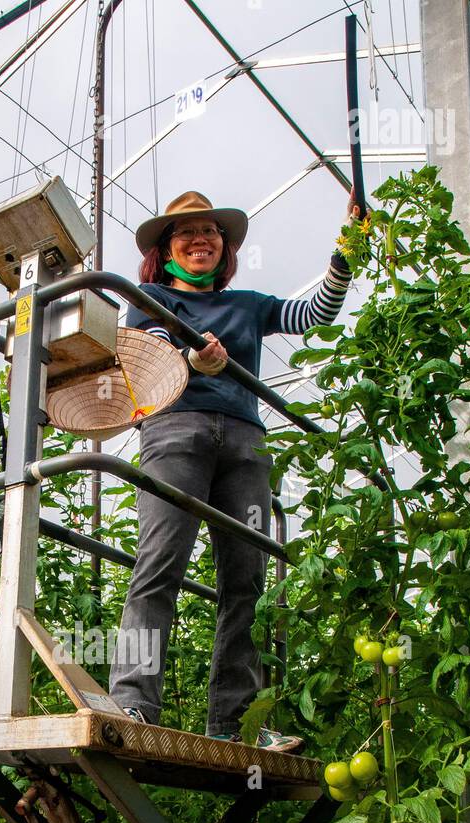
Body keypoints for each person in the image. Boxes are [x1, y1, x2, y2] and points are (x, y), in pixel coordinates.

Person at [108, 189, 361, 751]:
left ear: (224, 248)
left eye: (210, 232)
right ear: (166, 249)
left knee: (245, 582)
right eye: (186, 233)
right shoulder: (147, 298)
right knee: (160, 565)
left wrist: (344, 253)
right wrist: (190, 359)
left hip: (245, 443)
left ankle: (235, 722)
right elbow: (148, 353)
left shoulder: (248, 304)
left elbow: (314, 313)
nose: (200, 240)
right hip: (177, 431)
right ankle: (132, 704)